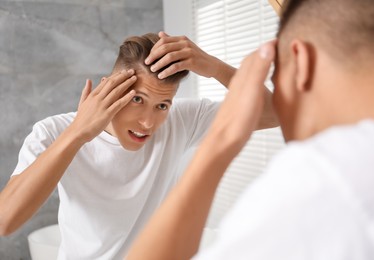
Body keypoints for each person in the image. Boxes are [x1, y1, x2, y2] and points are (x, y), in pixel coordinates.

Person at [125, 0, 374, 259]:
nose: (148, 121)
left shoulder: (329, 171)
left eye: (276, 78)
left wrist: (220, 140)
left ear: (301, 62)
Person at [0, 33, 278, 259]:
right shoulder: (54, 131)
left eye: (161, 105)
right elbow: (6, 221)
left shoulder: (181, 120)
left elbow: (276, 113)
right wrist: (77, 134)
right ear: (107, 88)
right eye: (137, 100)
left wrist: (215, 66)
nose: (148, 122)